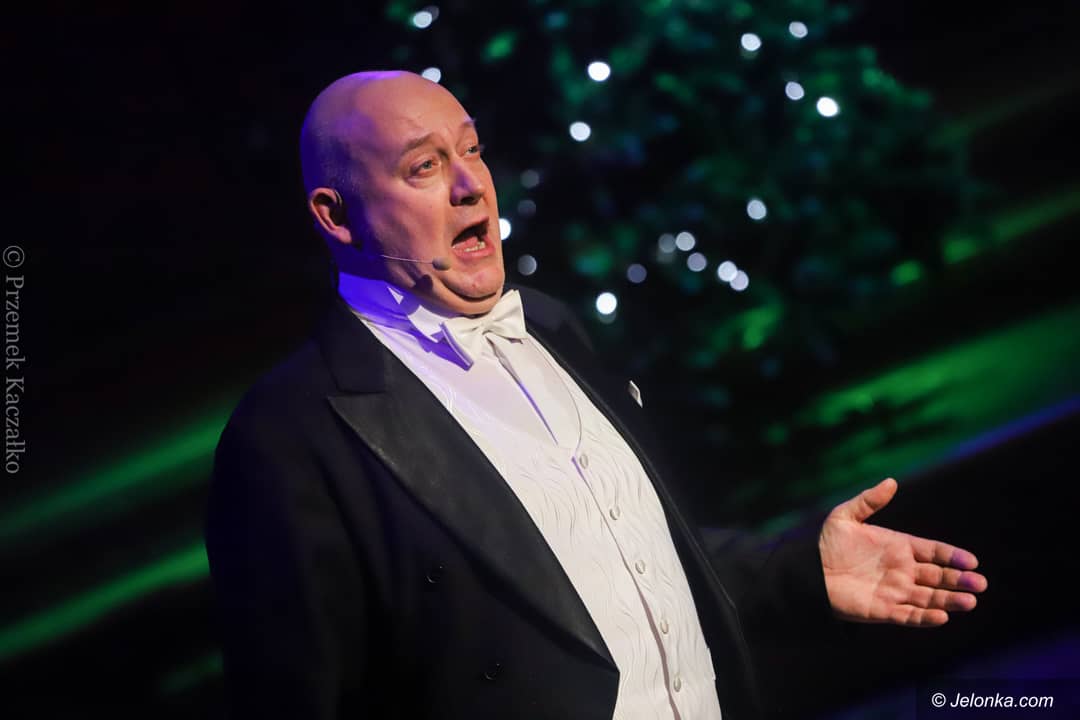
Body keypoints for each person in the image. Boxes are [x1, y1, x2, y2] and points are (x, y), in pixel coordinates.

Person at [204, 70, 988, 720]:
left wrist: (801, 571)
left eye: (471, 151)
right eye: (425, 167)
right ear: (337, 217)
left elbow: (621, 563)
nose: (473, 187)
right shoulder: (292, 437)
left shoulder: (552, 328)